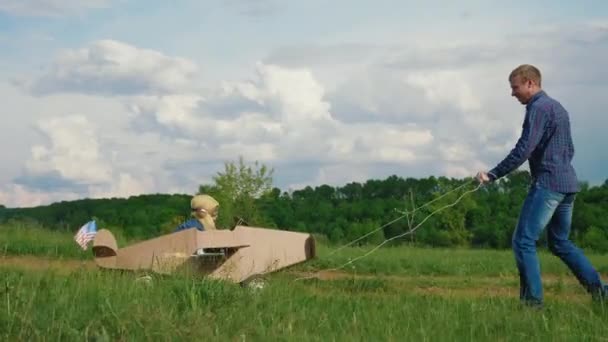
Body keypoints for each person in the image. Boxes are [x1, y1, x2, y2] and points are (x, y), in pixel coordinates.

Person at [476, 64, 607, 307]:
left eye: (515, 87)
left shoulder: (538, 108)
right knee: (560, 242)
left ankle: (532, 304)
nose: (512, 93)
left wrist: (493, 174)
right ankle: (602, 294)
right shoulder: (558, 107)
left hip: (549, 184)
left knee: (523, 241)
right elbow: (570, 149)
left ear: (530, 83)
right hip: (568, 184)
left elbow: (524, 149)